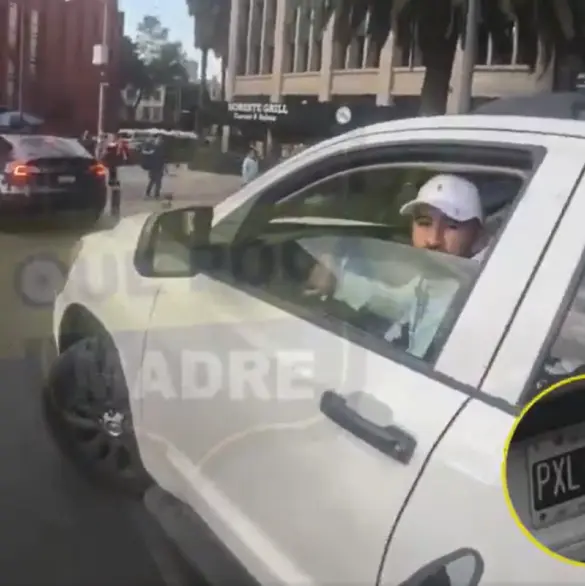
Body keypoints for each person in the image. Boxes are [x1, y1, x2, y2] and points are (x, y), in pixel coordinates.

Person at [307, 174, 484, 359]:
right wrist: (335, 273)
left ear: (478, 237)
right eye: (424, 223)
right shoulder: (426, 283)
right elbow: (389, 299)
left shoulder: (473, 307)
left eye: (452, 226)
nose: (433, 240)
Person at [145, 135, 166, 199]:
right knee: (153, 181)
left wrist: (164, 167)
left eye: (160, 140)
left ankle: (156, 194)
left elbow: (163, 159)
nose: (159, 141)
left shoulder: (161, 148)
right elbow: (145, 153)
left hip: (159, 167)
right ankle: (149, 193)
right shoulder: (153, 147)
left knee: (157, 182)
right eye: (158, 140)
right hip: (154, 167)